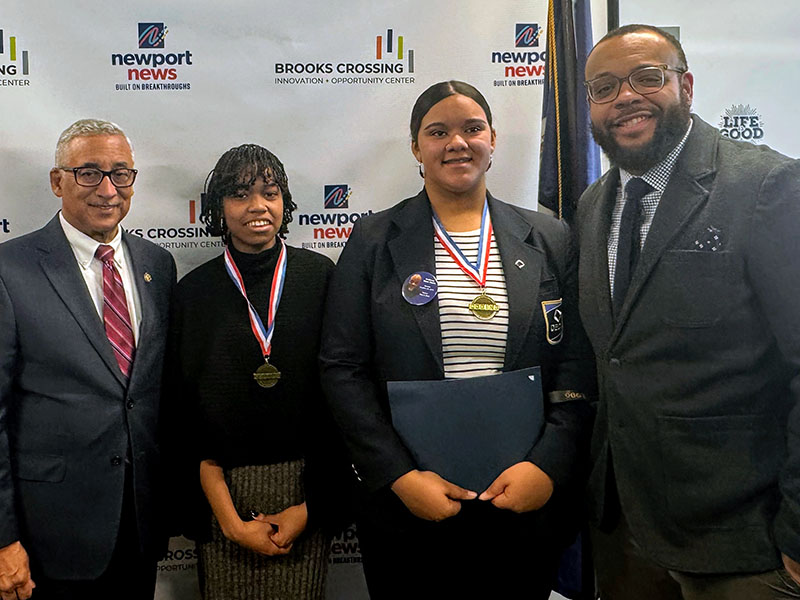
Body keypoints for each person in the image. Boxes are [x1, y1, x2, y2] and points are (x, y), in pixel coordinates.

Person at [320, 81, 595, 597]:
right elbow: (342, 369)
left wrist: (548, 466)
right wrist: (399, 476)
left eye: (472, 129)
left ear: (493, 139)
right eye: (438, 131)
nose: (457, 143)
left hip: (520, 503)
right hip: (412, 507)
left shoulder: (549, 238)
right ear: (415, 147)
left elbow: (576, 365)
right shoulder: (374, 241)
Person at [576, 24, 800, 599]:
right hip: (624, 530)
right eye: (603, 88)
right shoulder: (594, 203)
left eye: (647, 78)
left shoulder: (766, 185)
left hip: (740, 540)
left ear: (688, 86)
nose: (624, 96)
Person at [0, 119, 177, 600]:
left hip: (138, 525)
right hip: (50, 534)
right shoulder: (9, 270)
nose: (107, 188)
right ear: (57, 181)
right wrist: (3, 538)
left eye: (121, 174)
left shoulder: (157, 265)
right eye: (89, 172)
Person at [168, 144, 348, 600]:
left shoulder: (320, 278)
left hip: (308, 493)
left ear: (284, 202)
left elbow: (343, 401)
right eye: (240, 195)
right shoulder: (194, 293)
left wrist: (311, 509)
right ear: (218, 209)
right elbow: (185, 417)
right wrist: (229, 521)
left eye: (269, 193)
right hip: (222, 498)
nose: (257, 207)